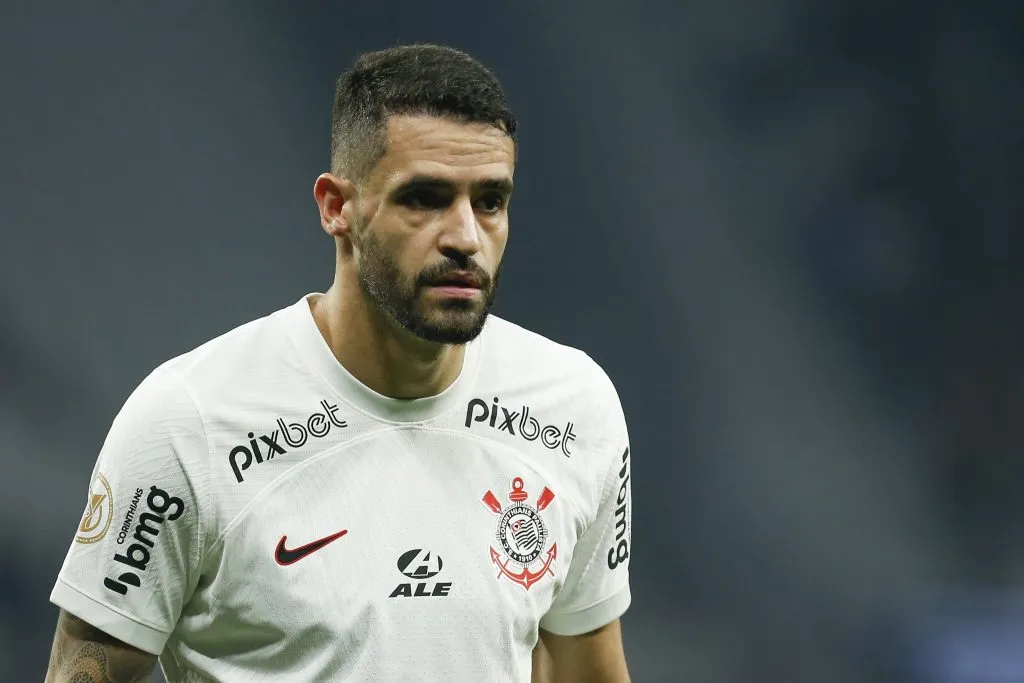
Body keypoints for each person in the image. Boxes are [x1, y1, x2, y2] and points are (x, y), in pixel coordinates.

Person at [44, 43, 633, 682]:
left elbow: (585, 671)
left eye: (490, 201)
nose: (466, 236)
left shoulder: (573, 407)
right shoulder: (187, 423)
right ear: (336, 207)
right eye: (426, 198)